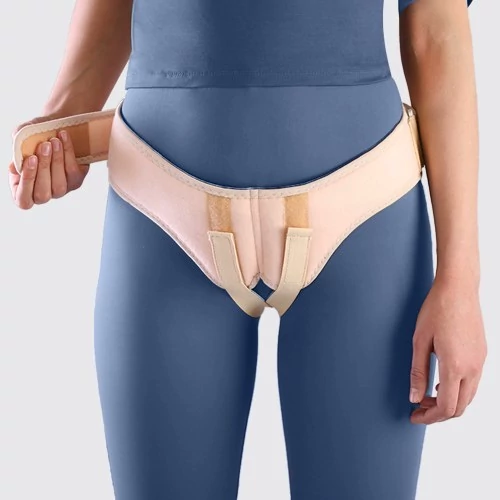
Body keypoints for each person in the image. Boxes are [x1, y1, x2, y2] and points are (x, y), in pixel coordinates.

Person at [8, 0, 487, 499]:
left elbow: (437, 30)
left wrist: (461, 279)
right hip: (161, 204)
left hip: (364, 208)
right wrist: (63, 119)